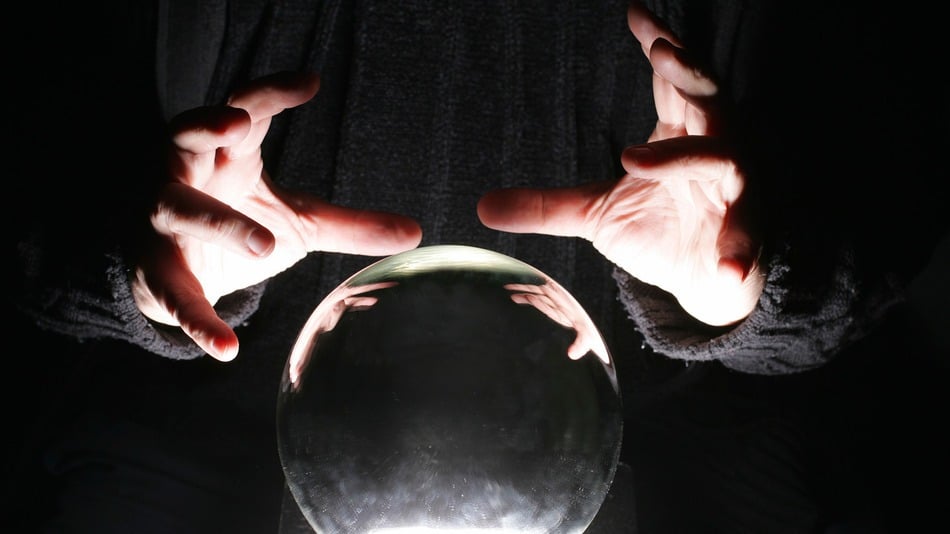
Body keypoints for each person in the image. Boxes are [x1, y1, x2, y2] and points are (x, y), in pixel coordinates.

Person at [8, 0, 947, 532]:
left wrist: (751, 289)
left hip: (679, 421)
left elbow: (895, 194)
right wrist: (143, 276)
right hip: (218, 418)